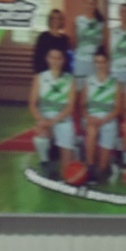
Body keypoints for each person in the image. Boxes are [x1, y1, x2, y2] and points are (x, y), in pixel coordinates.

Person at [28, 47, 76, 177]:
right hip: (45, 118)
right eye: (52, 57)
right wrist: (40, 119)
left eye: (58, 58)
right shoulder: (40, 77)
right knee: (40, 134)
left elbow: (70, 106)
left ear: (63, 60)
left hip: (63, 120)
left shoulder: (70, 79)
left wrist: (52, 122)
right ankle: (45, 162)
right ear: (47, 59)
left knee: (67, 169)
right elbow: (32, 104)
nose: (55, 61)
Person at [81, 46, 122, 182]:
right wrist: (89, 117)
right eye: (97, 62)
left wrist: (105, 119)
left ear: (108, 63)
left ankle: (105, 164)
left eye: (103, 62)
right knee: (92, 130)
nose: (100, 65)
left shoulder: (115, 83)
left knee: (103, 168)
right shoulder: (89, 81)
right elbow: (82, 105)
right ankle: (90, 165)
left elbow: (117, 108)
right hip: (92, 119)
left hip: (108, 120)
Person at [72, 0, 106, 90]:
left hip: (94, 63)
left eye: (92, 4)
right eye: (87, 3)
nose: (89, 6)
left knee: (93, 90)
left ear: (96, 5)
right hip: (81, 61)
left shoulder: (100, 23)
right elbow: (74, 42)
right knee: (79, 89)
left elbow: (103, 44)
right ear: (84, 4)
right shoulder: (78, 20)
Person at [32, 9, 71, 74]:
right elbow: (37, 58)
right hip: (44, 72)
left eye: (58, 18)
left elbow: (66, 59)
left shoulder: (64, 39)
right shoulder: (43, 37)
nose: (56, 21)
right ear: (49, 20)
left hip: (60, 74)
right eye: (53, 18)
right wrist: (38, 74)